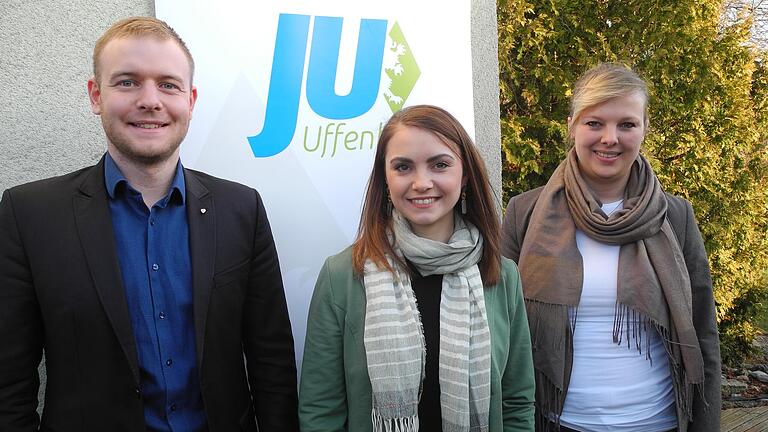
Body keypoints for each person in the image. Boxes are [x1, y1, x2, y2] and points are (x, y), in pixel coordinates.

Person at [0, 17, 298, 431]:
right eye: (127, 82)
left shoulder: (241, 210)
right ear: (95, 95)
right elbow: (9, 380)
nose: (150, 100)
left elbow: (272, 364)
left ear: (190, 101)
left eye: (168, 85)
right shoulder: (29, 214)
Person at [501, 63, 721, 431]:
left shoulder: (676, 216)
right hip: (558, 422)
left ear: (644, 129)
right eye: (594, 123)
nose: (609, 138)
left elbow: (702, 332)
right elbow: (502, 333)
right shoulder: (524, 213)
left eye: (626, 124)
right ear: (572, 126)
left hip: (657, 421)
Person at [299, 105, 535, 431]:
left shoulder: (500, 274)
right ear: (385, 177)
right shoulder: (342, 276)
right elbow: (320, 409)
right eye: (403, 167)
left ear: (464, 174)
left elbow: (517, 400)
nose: (421, 182)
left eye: (439, 165)